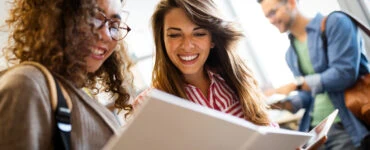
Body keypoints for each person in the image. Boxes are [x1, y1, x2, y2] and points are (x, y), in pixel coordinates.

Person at [0, 0, 133, 149]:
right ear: (57, 17)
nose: (107, 35)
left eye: (114, 26)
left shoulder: (76, 94)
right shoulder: (26, 84)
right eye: (94, 17)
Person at [257, 0, 370, 149]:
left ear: (291, 3)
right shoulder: (291, 54)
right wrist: (283, 103)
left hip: (346, 126)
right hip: (313, 131)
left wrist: (296, 84)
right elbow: (309, 96)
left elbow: (344, 73)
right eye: (267, 17)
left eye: (273, 12)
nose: (271, 20)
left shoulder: (336, 23)